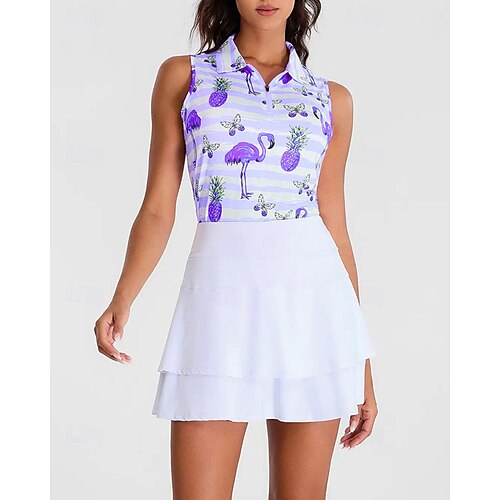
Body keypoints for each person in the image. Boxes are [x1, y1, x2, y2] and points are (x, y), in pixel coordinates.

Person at [94, 0, 378, 497]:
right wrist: (123, 297)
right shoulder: (185, 77)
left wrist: (361, 366)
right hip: (218, 307)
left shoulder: (331, 99)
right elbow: (158, 207)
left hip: (312, 312)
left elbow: (336, 229)